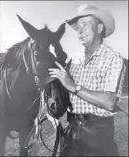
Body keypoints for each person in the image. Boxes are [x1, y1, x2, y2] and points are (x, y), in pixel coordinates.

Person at [49, 4, 125, 156]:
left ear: (99, 28)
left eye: (86, 25)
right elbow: (65, 96)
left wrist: (74, 86)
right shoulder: (72, 59)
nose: (80, 31)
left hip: (99, 135)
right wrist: (53, 107)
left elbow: (109, 102)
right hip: (71, 131)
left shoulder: (113, 58)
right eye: (78, 27)